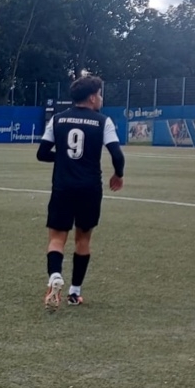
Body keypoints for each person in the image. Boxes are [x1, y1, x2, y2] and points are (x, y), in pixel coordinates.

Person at [36, 75, 125, 310]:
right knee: (83, 240)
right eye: (100, 95)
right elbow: (117, 155)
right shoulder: (103, 121)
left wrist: (63, 158)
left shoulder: (57, 119)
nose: (101, 99)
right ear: (92, 97)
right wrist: (118, 174)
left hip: (63, 187)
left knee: (56, 239)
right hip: (90, 189)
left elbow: (42, 153)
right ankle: (75, 293)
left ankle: (55, 276)